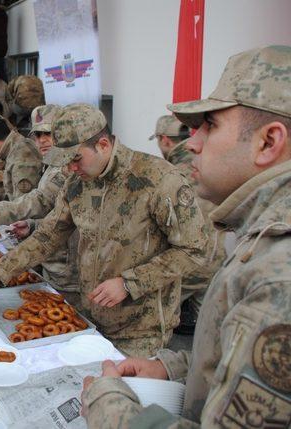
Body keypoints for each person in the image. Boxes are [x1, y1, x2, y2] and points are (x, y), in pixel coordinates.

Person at [81, 45, 291, 429]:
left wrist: (109, 403)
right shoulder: (261, 235)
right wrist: (175, 367)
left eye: (210, 125)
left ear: (268, 142)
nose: (192, 143)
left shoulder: (280, 275)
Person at [0, 103, 209, 357]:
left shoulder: (158, 180)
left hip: (140, 332)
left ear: (103, 145)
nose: (71, 168)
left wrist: (131, 283)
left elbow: (193, 249)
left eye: (76, 159)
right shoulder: (77, 183)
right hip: (89, 318)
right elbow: (49, 234)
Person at [0, 104, 79, 289]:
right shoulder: (52, 164)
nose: (42, 140)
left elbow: (39, 201)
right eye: (38, 135)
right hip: (52, 256)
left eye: (48, 134)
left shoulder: (65, 168)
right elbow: (53, 212)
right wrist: (32, 226)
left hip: (66, 267)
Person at [151, 115, 227, 335]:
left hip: (188, 262)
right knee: (211, 329)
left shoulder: (171, 173)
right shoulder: (206, 163)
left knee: (158, 320)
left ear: (164, 139)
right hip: (216, 255)